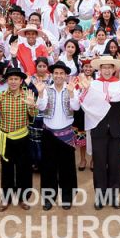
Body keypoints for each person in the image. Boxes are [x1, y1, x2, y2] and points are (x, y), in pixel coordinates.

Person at [78, 55, 120, 209]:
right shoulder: (93, 84)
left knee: (114, 163)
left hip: (116, 128)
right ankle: (100, 196)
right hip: (98, 128)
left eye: (109, 67)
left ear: (114, 69)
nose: (107, 70)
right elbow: (85, 103)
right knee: (99, 163)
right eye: (104, 67)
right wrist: (86, 90)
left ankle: (114, 196)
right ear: (99, 69)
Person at [0, 67, 38, 211]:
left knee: (24, 169)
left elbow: (33, 115)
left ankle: (23, 199)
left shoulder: (27, 95)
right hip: (6, 138)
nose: (13, 82)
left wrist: (32, 105)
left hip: (22, 138)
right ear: (7, 81)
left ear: (21, 81)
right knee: (7, 170)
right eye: (11, 79)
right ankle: (6, 199)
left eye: (16, 79)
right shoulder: (1, 96)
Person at [38, 61, 81, 209]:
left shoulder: (72, 89)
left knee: (67, 168)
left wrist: (70, 93)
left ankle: (67, 198)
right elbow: (41, 107)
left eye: (61, 73)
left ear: (65, 75)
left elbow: (76, 107)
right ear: (52, 74)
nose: (58, 76)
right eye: (56, 73)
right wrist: (40, 93)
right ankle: (49, 199)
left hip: (66, 134)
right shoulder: (46, 89)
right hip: (49, 133)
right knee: (48, 168)